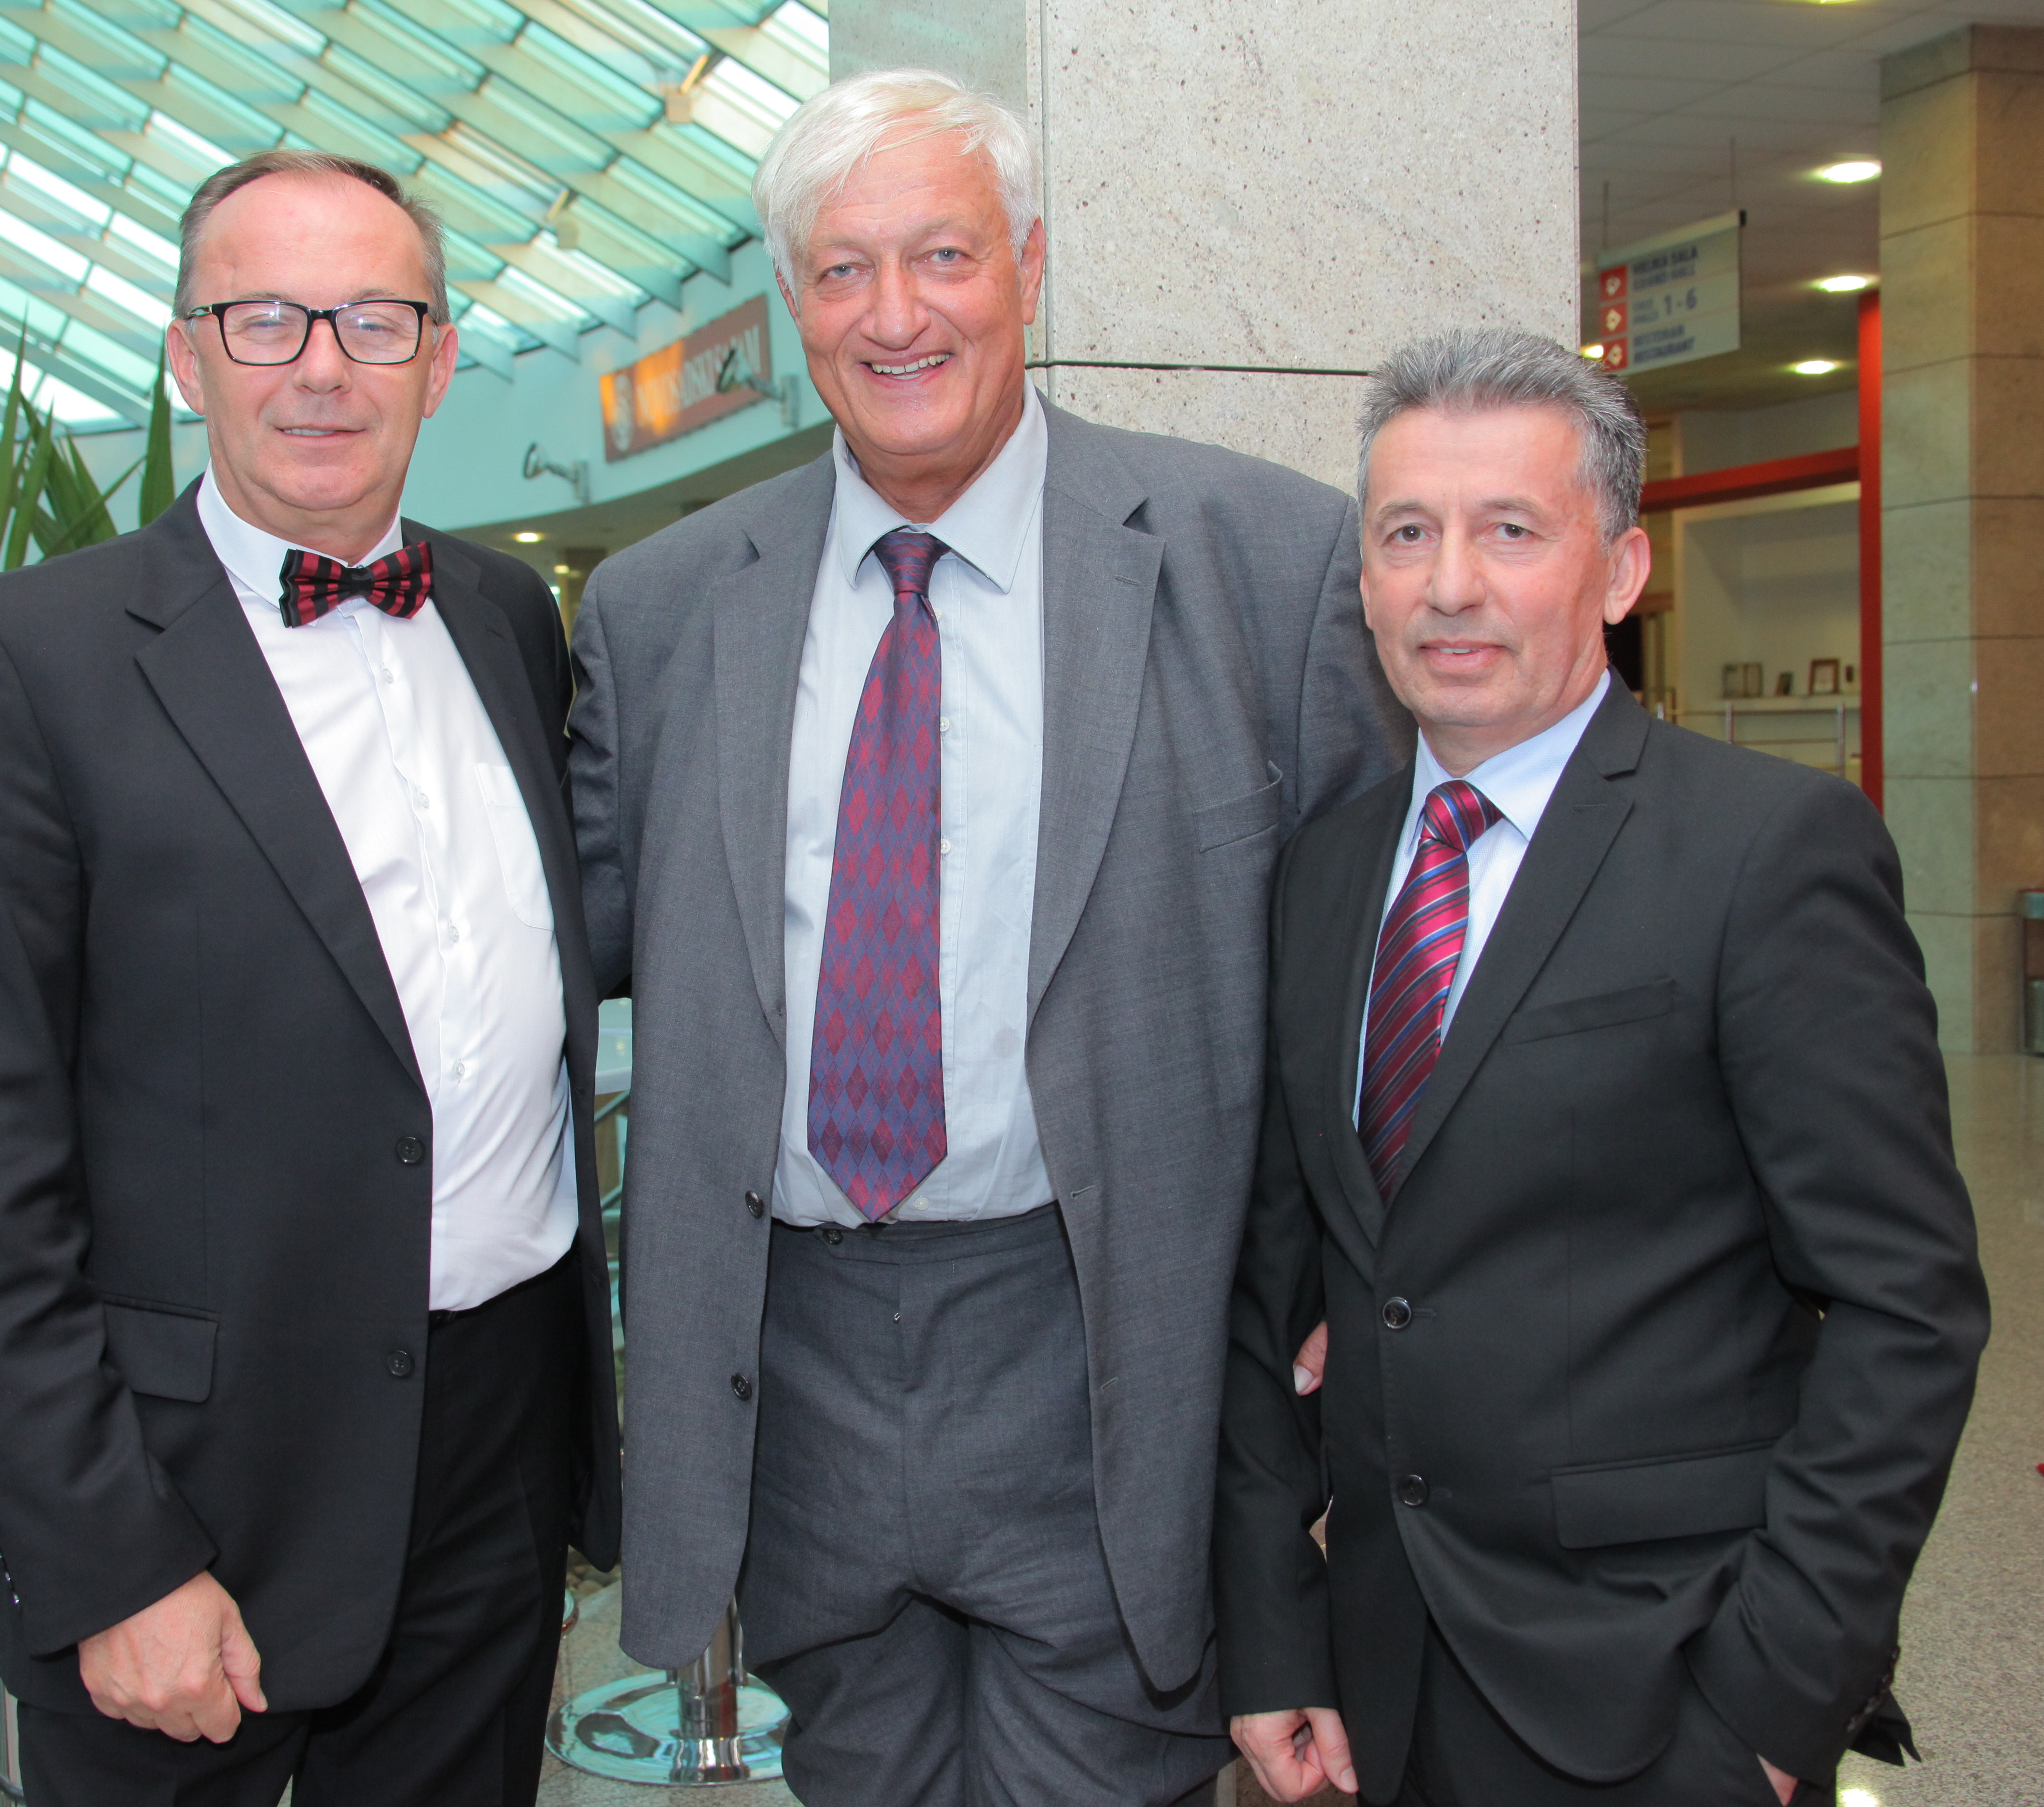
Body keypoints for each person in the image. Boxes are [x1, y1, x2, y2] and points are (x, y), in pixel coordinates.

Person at [569, 67, 1407, 1807]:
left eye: (943, 255)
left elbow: (1380, 971)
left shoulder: (1264, 562)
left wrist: (1362, 1292)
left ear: (1028, 262)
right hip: (792, 1363)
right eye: (843, 269)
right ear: (791, 300)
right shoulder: (661, 611)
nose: (897, 315)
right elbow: (546, 950)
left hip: (1108, 1348)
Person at [0, 149, 618, 1807]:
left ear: (440, 360)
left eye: (374, 320)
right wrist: (111, 1559)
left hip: (496, 1447)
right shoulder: (25, 660)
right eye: (265, 318)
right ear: (187, 354)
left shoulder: (507, 615)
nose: (322, 367)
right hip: (190, 1486)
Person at [1214, 327, 1990, 1807]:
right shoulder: (1322, 873)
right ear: (1363, 580)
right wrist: (1271, 1630)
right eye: (1407, 534)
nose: (1451, 584)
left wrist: (1771, 1707)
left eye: (1512, 531)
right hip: (1379, 1678)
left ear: (1622, 571)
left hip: (1662, 1684)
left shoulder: (1766, 852)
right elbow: (1273, 1287)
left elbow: (1909, 1306)